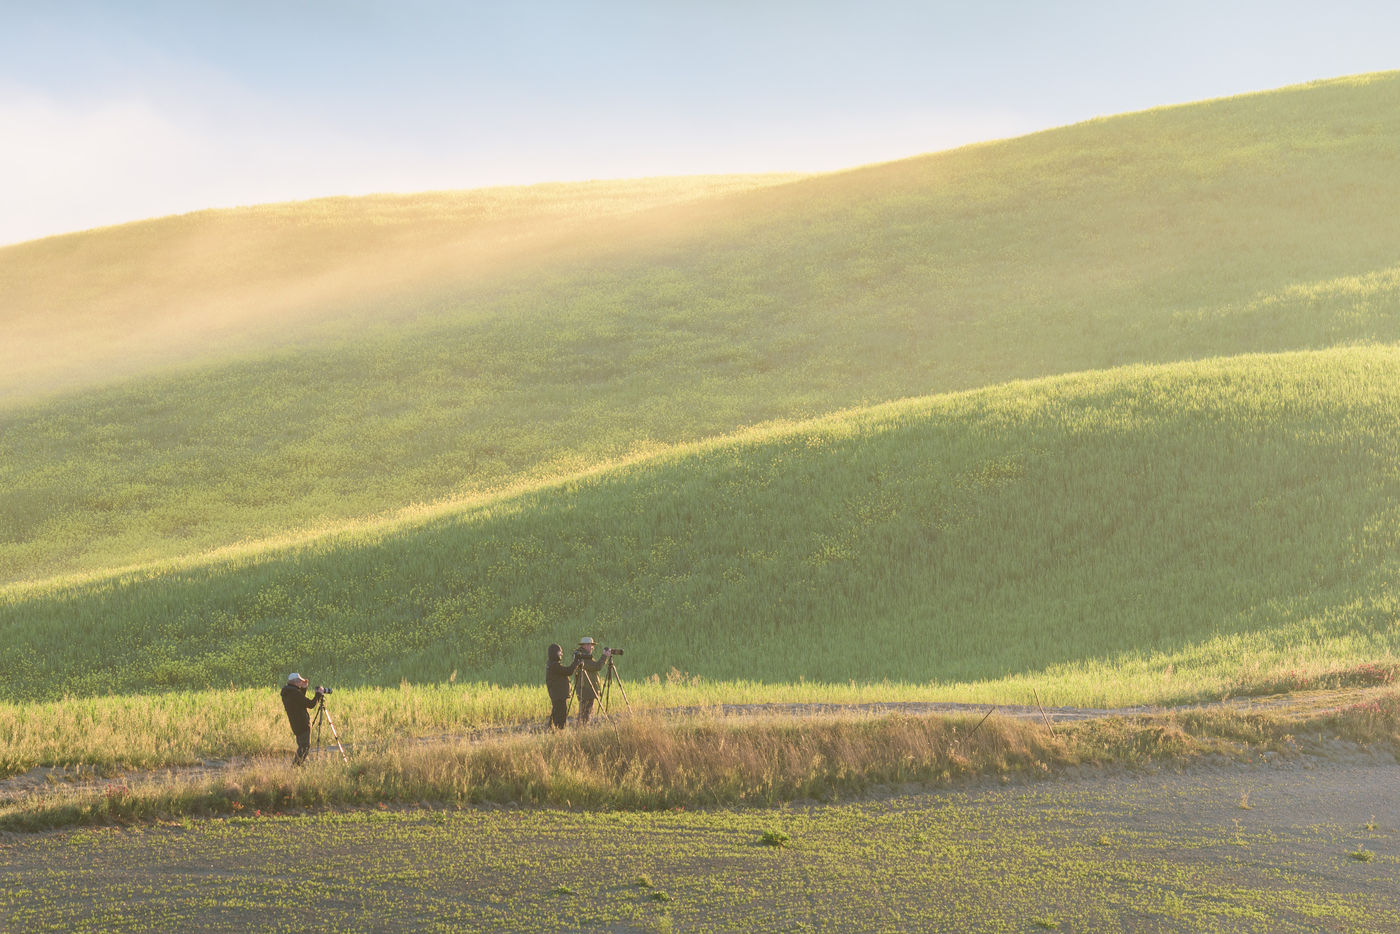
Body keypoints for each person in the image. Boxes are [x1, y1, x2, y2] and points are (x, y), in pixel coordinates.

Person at [281, 672, 323, 766]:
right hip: (303, 724)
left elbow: (300, 701)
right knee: (305, 747)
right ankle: (295, 767)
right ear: (295, 682)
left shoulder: (287, 692)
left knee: (302, 746)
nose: (301, 683)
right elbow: (310, 704)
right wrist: (318, 695)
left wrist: (304, 688)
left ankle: (297, 766)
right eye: (300, 681)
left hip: (296, 724)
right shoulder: (294, 693)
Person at [545, 643, 579, 730]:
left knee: (556, 713)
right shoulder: (554, 665)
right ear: (554, 653)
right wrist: (576, 662)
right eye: (560, 652)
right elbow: (568, 671)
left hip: (558, 695)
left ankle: (552, 730)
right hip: (559, 696)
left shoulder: (552, 664)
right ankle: (559, 730)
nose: (561, 654)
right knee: (560, 716)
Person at [573, 637, 605, 725]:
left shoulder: (584, 656)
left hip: (586, 688)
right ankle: (582, 729)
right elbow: (597, 667)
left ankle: (582, 728)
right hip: (586, 689)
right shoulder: (583, 657)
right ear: (585, 646)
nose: (592, 648)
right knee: (585, 713)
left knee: (586, 712)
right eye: (591, 645)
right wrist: (605, 656)